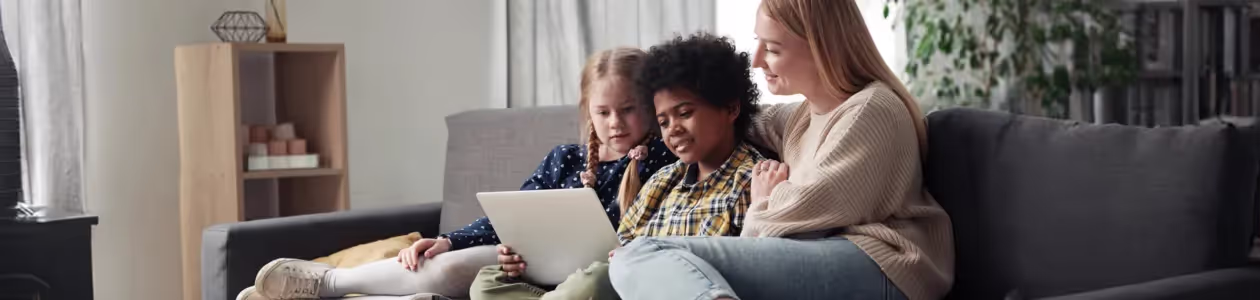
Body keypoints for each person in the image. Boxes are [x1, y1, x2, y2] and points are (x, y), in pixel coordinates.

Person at [237, 47, 679, 300]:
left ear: (650, 109)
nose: (616, 123)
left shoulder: (662, 163)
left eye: (628, 110)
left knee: (473, 276)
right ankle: (327, 284)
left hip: (592, 279)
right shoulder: (565, 159)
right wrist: (449, 238)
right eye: (603, 112)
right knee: (448, 263)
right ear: (588, 111)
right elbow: (507, 218)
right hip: (523, 265)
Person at [607, 1, 955, 300]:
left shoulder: (871, 110)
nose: (757, 60)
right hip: (837, 255)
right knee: (635, 259)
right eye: (759, 44)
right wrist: (657, 124)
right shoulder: (803, 116)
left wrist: (763, 203)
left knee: (644, 254)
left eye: (772, 49)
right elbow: (725, 114)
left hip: (885, 265)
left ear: (821, 46)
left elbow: (805, 217)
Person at [470, 32, 765, 300]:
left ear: (731, 108)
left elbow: (753, 264)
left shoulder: (752, 178)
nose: (672, 129)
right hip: (621, 276)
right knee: (488, 281)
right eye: (663, 121)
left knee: (596, 281)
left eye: (684, 113)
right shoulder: (665, 178)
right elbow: (621, 244)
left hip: (660, 286)